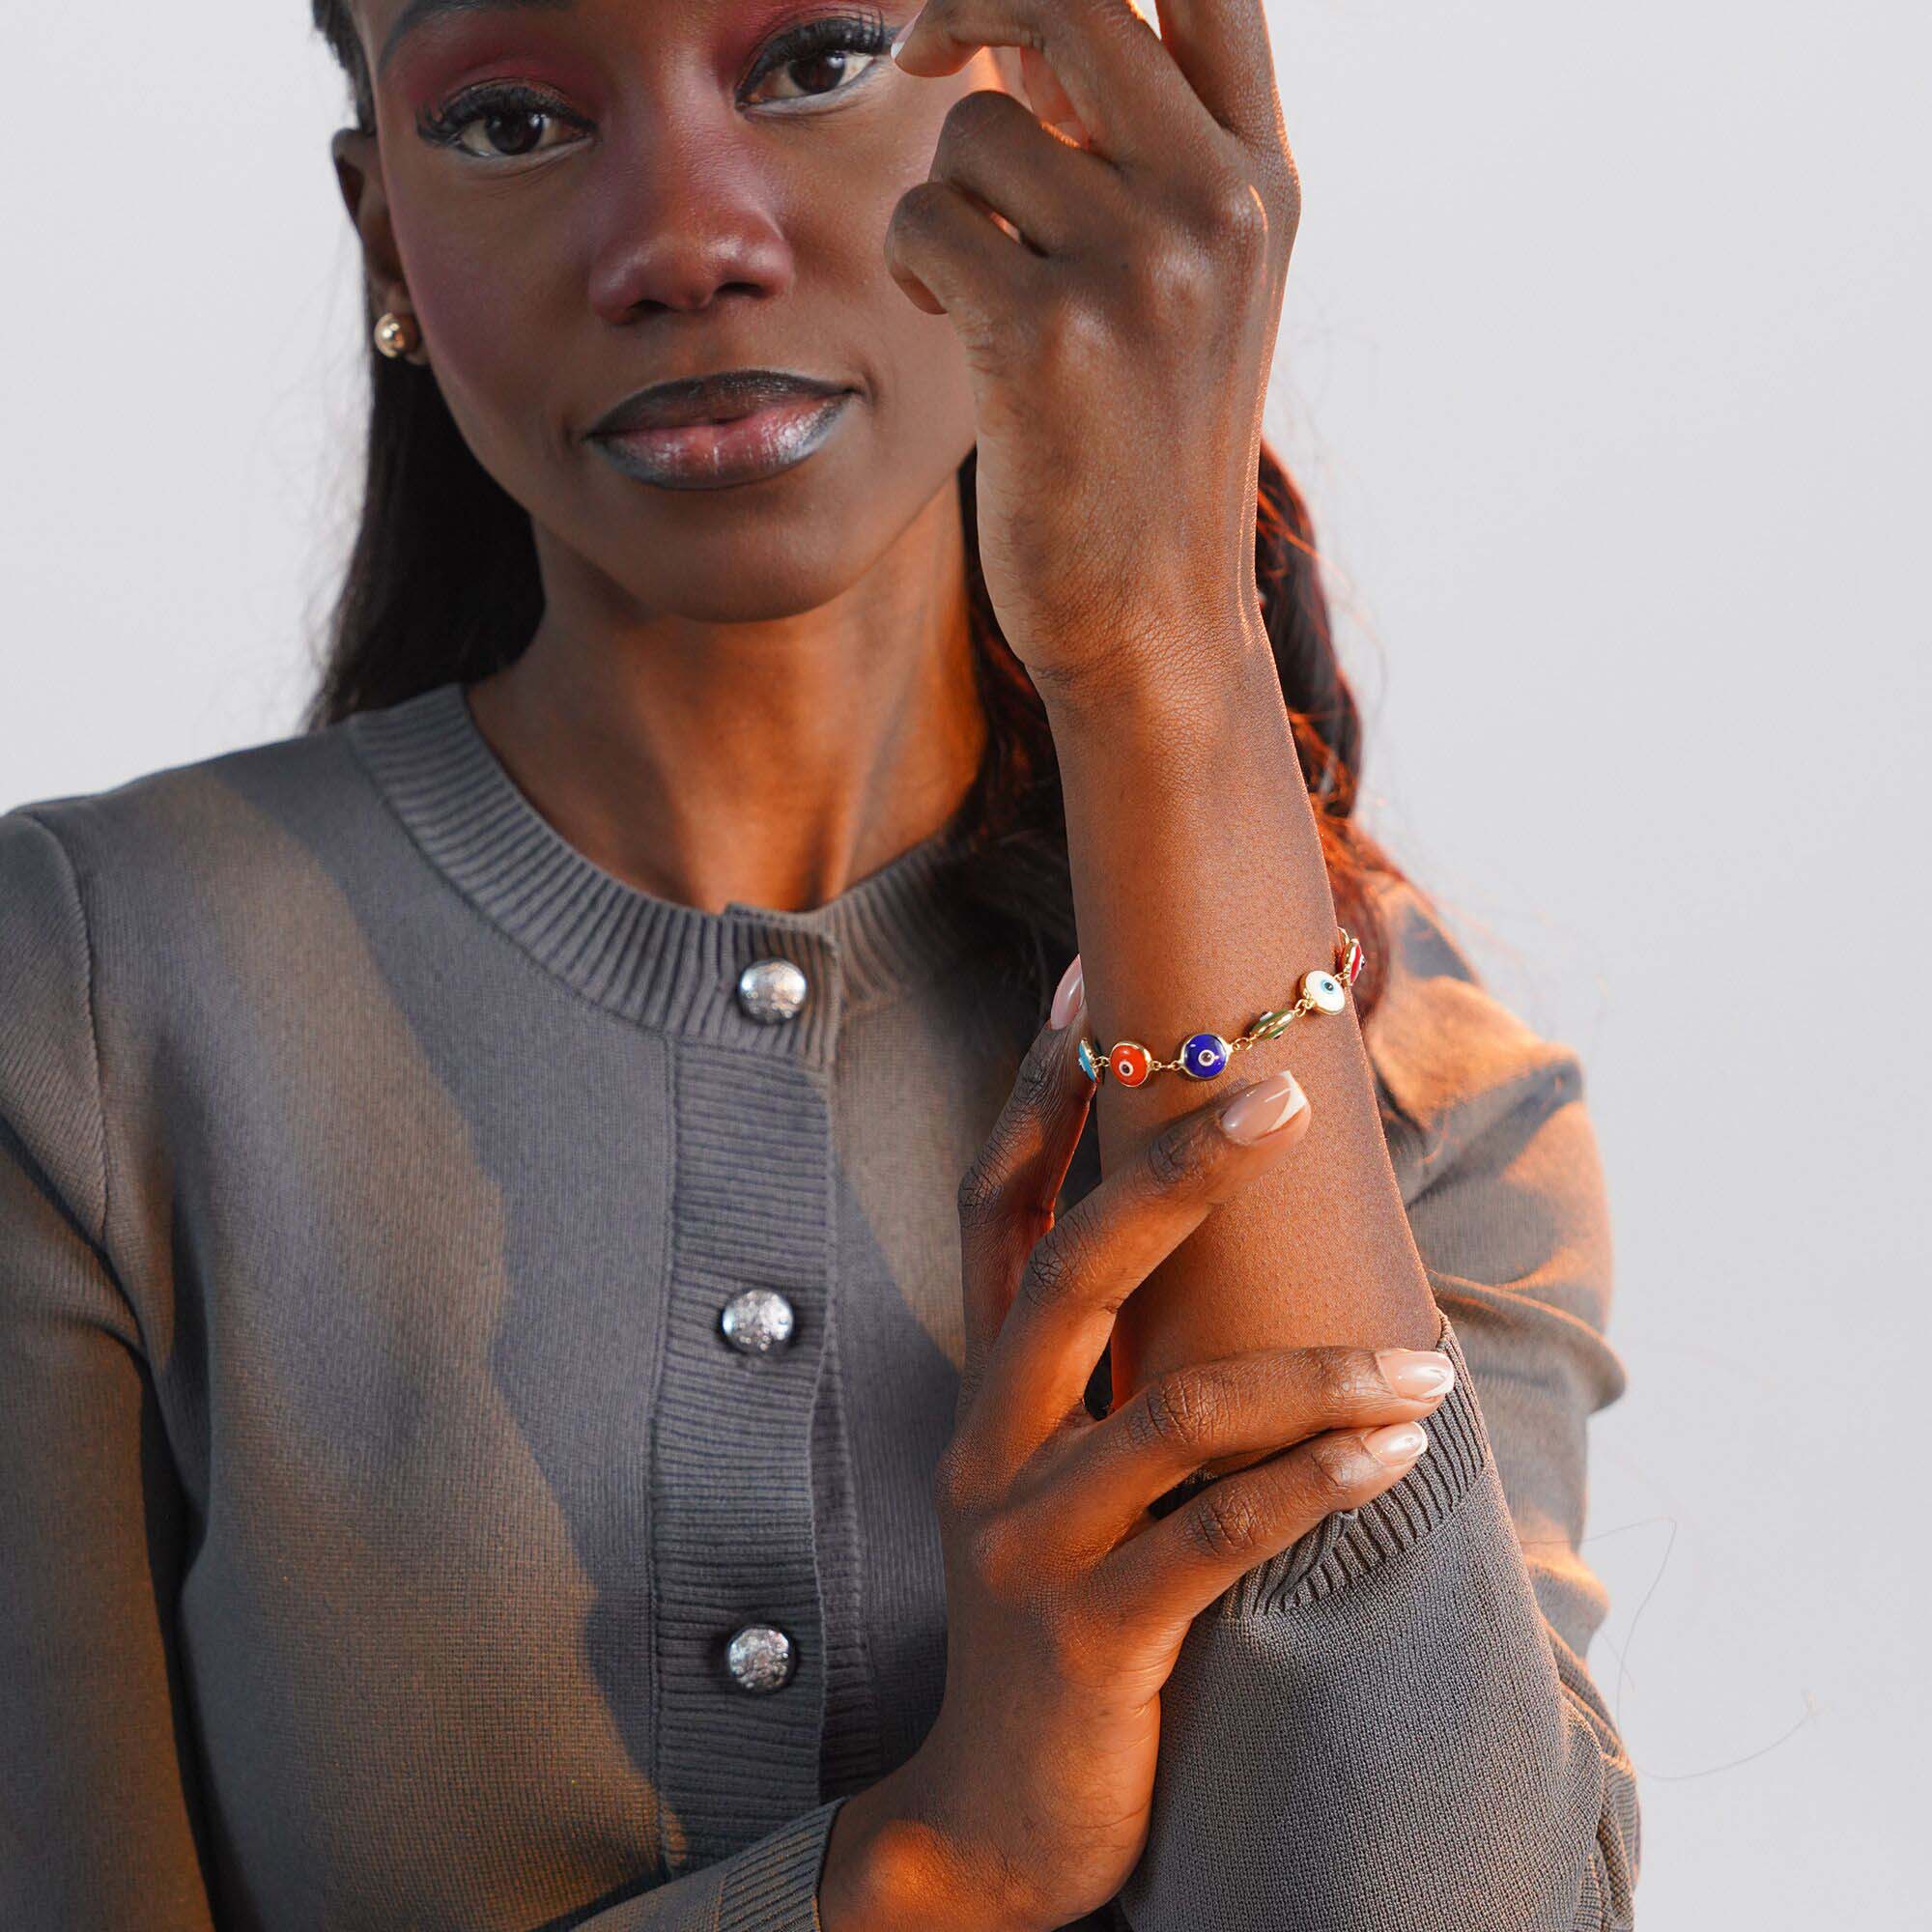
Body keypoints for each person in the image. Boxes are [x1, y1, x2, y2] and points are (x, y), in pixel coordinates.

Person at [0, 1, 1639, 1926]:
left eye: (812, 61)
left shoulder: (1421, 1086)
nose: (688, 238)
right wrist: (927, 1861)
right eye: (515, 116)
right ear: (386, 237)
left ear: (1041, 127)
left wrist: (1162, 652)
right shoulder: (87, 1010)